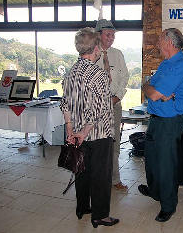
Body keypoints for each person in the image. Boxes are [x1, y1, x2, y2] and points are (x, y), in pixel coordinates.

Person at [60, 28, 119, 228]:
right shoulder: (99, 74)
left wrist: (71, 130)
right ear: (95, 49)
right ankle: (100, 215)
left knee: (82, 170)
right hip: (98, 133)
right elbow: (100, 109)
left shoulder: (71, 73)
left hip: (77, 134)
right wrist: (85, 131)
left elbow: (65, 104)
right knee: (101, 175)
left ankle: (83, 207)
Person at [138, 28, 183, 222]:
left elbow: (151, 92)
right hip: (156, 118)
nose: (158, 43)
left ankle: (168, 205)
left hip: (169, 122)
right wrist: (151, 88)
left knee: (166, 165)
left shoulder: (180, 65)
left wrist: (151, 89)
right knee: (152, 158)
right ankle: (155, 191)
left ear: (169, 42)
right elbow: (149, 86)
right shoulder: (165, 63)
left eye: (161, 39)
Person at [95, 19, 130, 191]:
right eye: (108, 35)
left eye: (113, 35)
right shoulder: (91, 53)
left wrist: (116, 97)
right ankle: (98, 178)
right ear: (98, 35)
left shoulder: (118, 54)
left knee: (113, 142)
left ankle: (115, 178)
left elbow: (125, 78)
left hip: (114, 105)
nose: (111, 38)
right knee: (97, 143)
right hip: (94, 107)